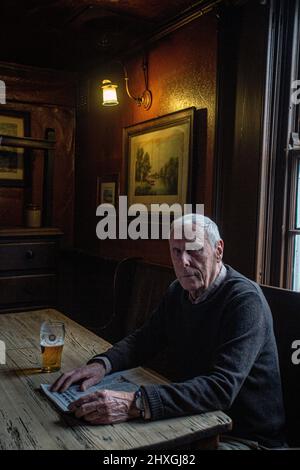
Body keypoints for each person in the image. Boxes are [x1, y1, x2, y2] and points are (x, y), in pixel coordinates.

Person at [51, 214, 287, 449]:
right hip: (192, 420)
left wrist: (135, 403)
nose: (183, 261)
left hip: (245, 438)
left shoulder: (245, 301)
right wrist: (102, 365)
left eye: (193, 250)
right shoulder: (178, 291)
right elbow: (144, 340)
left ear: (218, 250)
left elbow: (221, 388)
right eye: (176, 251)